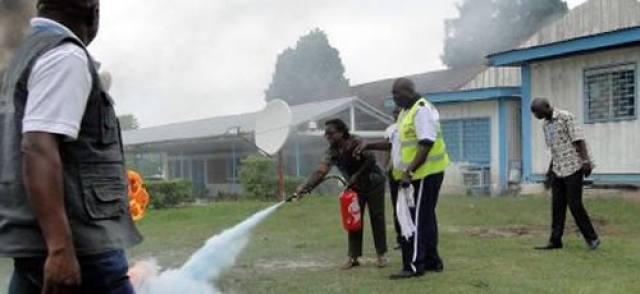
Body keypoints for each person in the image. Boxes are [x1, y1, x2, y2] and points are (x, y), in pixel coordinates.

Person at [0, 1, 143, 293]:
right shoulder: (66, 55)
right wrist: (60, 248)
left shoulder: (23, 56)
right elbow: (38, 147)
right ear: (93, 13)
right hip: (83, 247)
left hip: (37, 247)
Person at [355, 78, 450, 279]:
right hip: (416, 174)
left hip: (425, 173)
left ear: (408, 91)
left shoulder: (421, 109)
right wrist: (368, 145)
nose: (394, 98)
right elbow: (394, 143)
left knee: (415, 219)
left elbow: (426, 144)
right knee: (425, 217)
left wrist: (409, 172)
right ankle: (433, 261)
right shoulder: (406, 112)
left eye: (397, 94)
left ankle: (414, 266)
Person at [295, 119, 388, 269]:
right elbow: (321, 171)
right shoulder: (332, 152)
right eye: (326, 134)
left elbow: (371, 159)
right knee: (353, 218)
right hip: (355, 187)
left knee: (377, 217)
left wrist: (357, 174)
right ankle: (353, 257)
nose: (327, 137)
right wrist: (306, 187)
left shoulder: (356, 141)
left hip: (374, 183)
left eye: (330, 133)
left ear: (341, 132)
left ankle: (381, 255)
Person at [530, 98, 600, 251]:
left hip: (574, 166)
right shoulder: (545, 125)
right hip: (558, 168)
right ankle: (555, 241)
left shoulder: (566, 117)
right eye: (534, 113)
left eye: (537, 112)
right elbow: (554, 149)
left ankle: (592, 238)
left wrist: (586, 162)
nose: (535, 115)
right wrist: (550, 172)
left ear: (547, 107)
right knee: (557, 206)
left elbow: (579, 140)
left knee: (575, 205)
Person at [381, 107, 402, 250]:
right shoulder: (390, 130)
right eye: (394, 113)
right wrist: (384, 166)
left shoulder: (409, 126)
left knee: (408, 205)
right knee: (397, 205)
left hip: (408, 171)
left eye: (398, 112)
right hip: (394, 171)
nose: (396, 115)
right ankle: (400, 238)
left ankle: (412, 235)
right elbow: (387, 149)